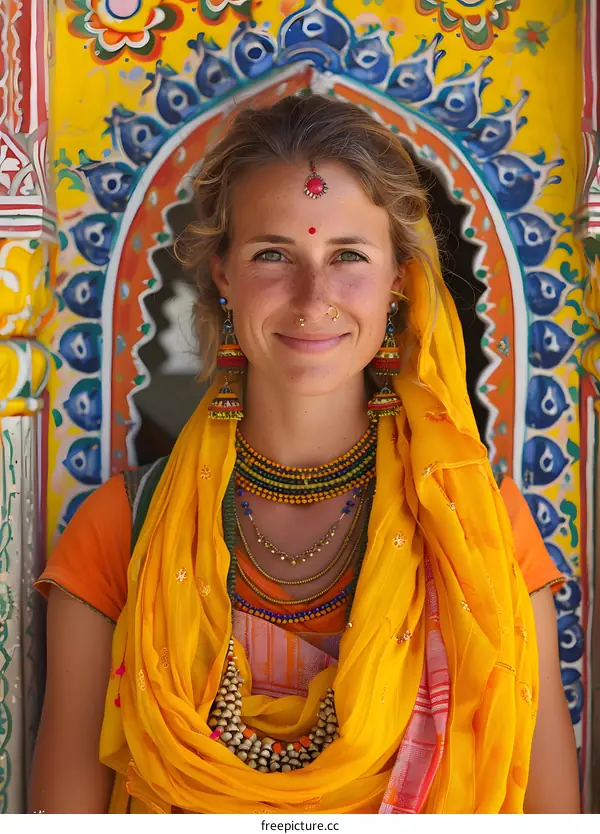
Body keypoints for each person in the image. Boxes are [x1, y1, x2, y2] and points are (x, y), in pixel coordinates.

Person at [31, 95, 580, 814]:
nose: (312, 296)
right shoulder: (121, 531)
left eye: (348, 255)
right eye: (273, 255)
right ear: (223, 274)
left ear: (397, 282)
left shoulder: (478, 527)